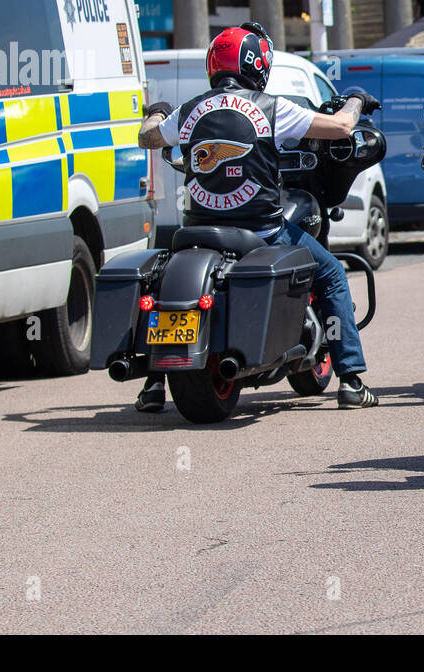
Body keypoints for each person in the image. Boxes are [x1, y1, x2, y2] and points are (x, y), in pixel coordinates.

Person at [137, 23, 380, 410]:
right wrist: (354, 99)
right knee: (332, 274)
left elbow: (147, 137)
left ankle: (153, 386)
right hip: (262, 231)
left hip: (198, 232)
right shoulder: (272, 108)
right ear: (257, 65)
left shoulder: (189, 110)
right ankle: (351, 380)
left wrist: (157, 112)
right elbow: (341, 127)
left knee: (158, 281)